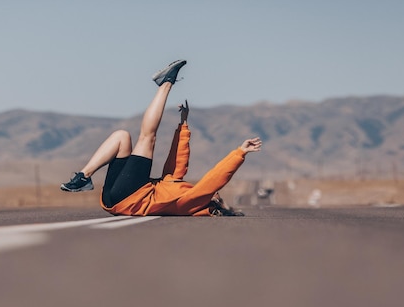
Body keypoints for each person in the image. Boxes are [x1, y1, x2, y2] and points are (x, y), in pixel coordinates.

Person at [60, 59, 262, 216]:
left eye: (218, 197)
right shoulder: (180, 190)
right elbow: (176, 168)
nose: (217, 194)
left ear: (214, 202)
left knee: (147, 138)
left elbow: (215, 178)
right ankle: (83, 177)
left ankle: (166, 83)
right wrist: (183, 125)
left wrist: (239, 153)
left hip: (132, 198)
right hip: (117, 197)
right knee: (122, 137)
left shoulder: (194, 200)